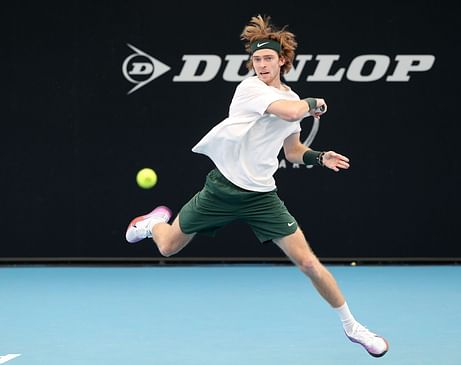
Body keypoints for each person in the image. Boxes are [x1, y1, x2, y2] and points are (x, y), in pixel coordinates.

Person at [125, 14, 388, 357]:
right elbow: (293, 114)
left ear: (282, 60)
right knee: (168, 247)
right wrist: (314, 104)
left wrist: (318, 157)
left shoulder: (291, 95)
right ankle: (154, 224)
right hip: (222, 188)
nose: (261, 65)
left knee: (308, 263)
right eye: (256, 60)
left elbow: (293, 151)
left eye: (268, 59)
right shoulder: (250, 89)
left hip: (262, 197)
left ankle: (354, 327)